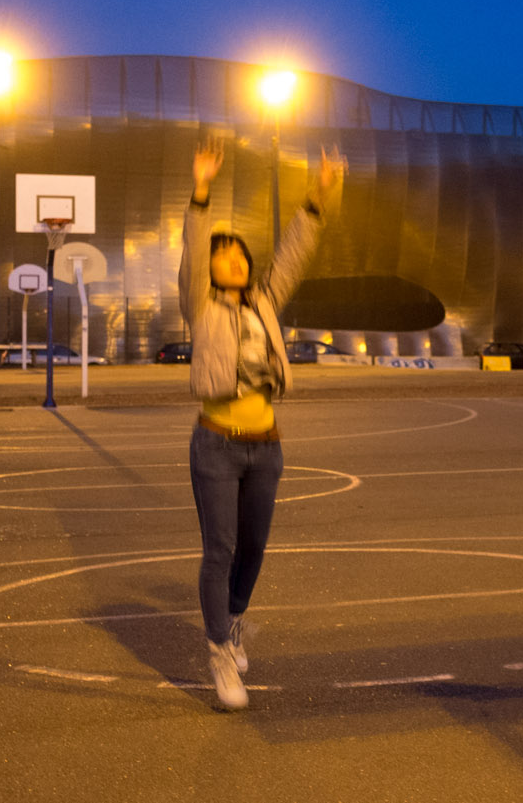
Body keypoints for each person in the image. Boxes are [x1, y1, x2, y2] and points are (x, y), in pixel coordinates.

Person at [178, 137, 344, 710]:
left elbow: (296, 251)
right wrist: (201, 191)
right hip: (216, 446)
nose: (234, 258)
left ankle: (236, 619)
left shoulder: (264, 301)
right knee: (219, 550)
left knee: (253, 551)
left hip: (266, 447)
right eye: (224, 253)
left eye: (240, 252)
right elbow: (194, 249)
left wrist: (317, 199)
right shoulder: (200, 302)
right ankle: (220, 652)